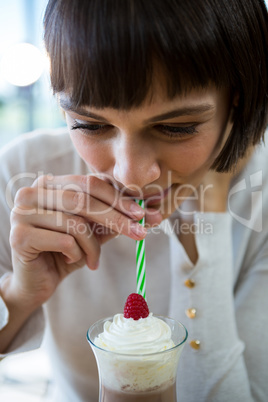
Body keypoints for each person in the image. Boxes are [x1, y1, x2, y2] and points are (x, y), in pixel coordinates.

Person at [0, 0, 268, 400]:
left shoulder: (260, 200)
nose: (131, 173)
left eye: (177, 128)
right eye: (89, 124)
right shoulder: (26, 171)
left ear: (238, 101)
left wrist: (206, 227)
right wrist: (21, 294)